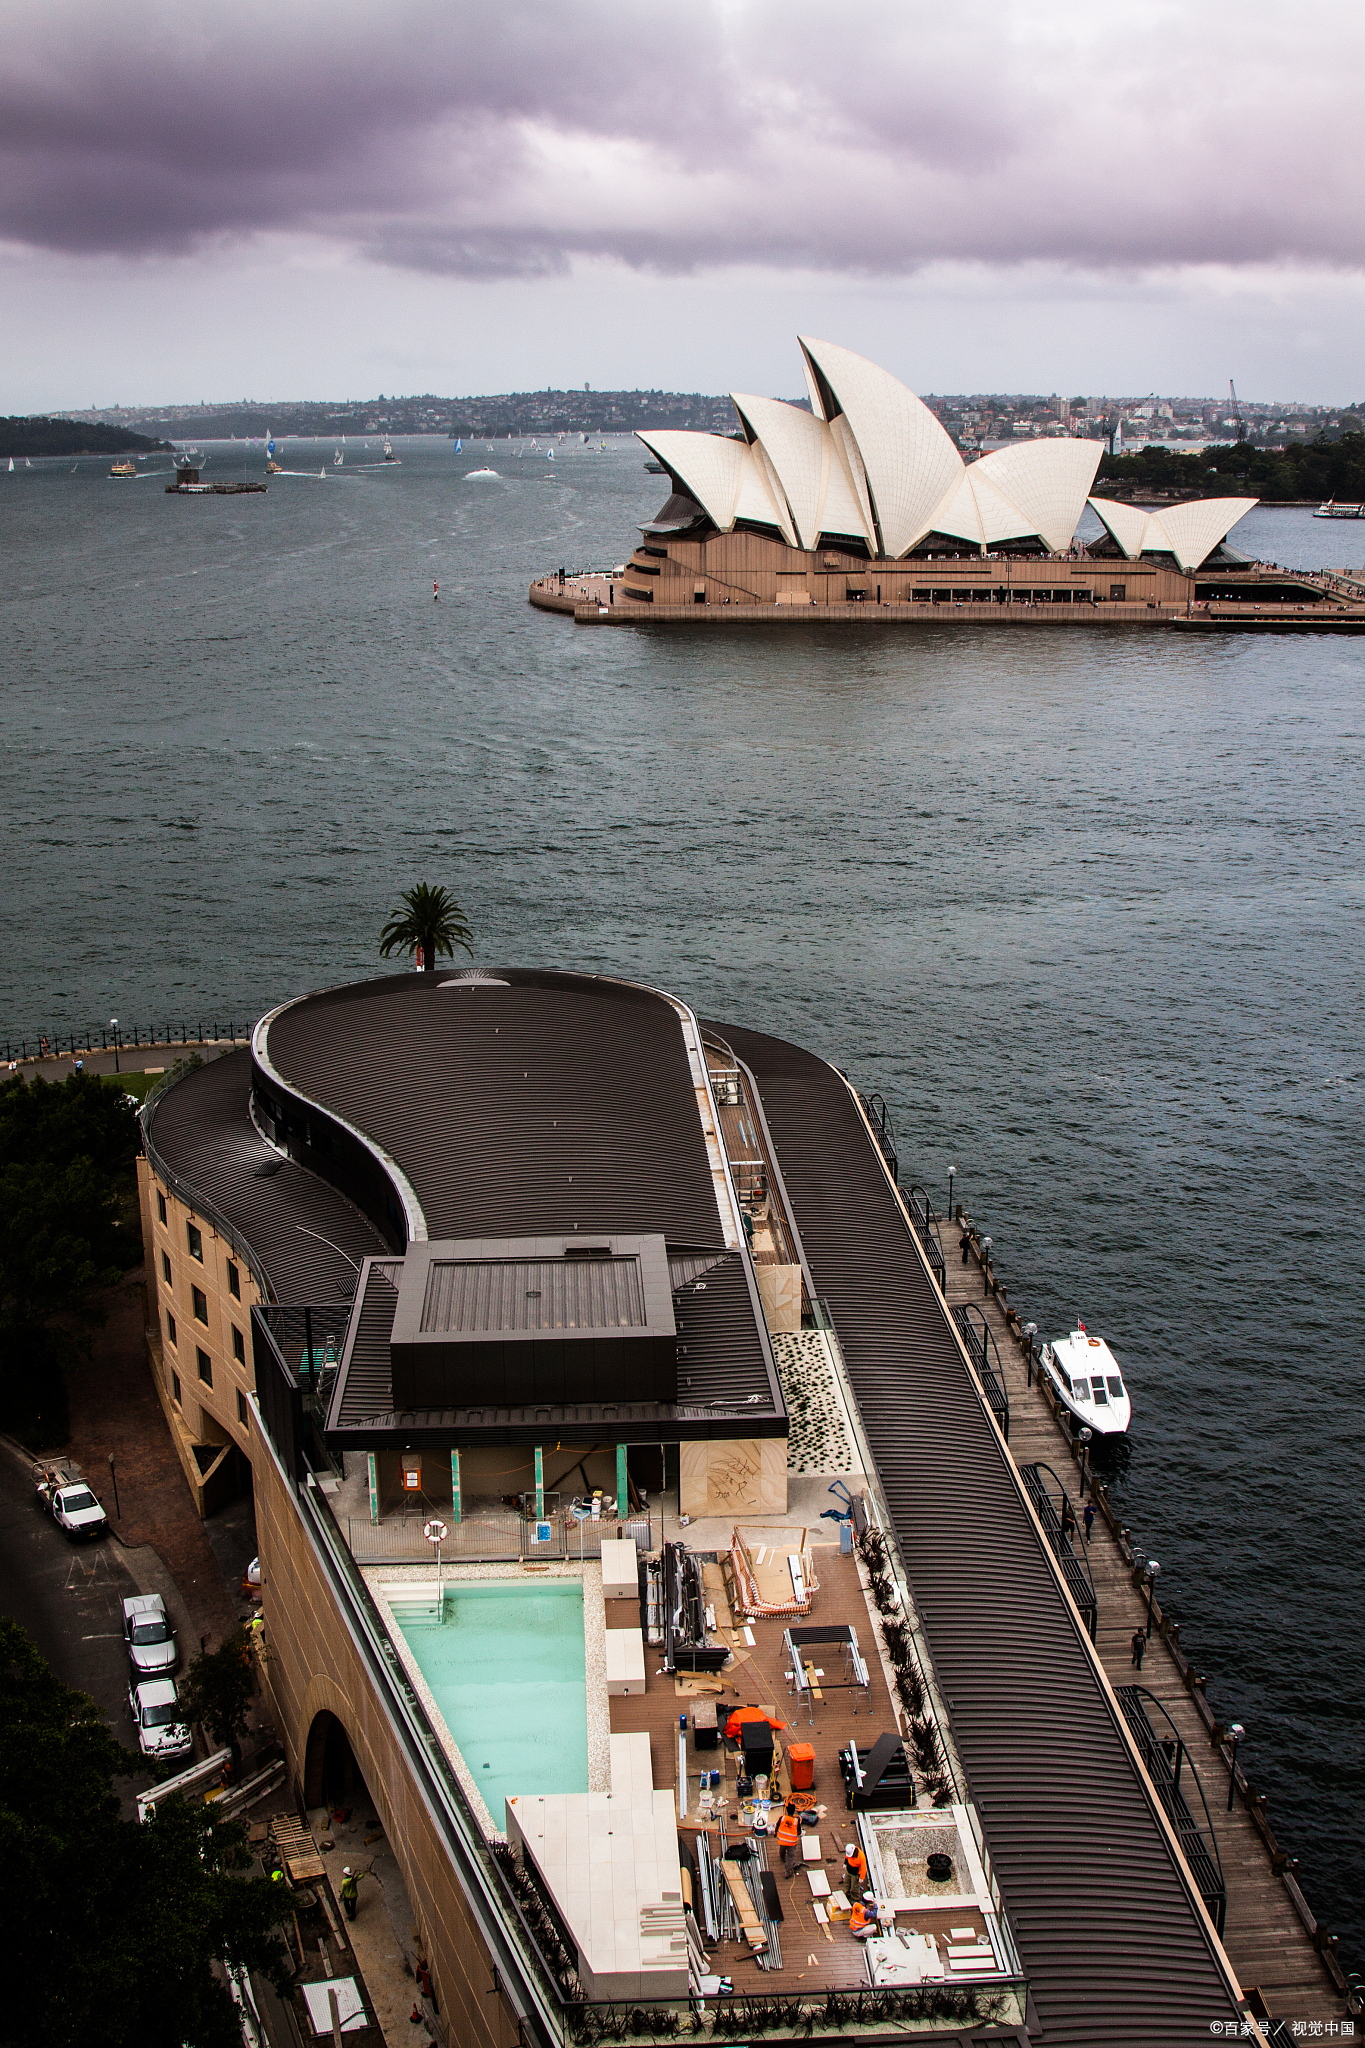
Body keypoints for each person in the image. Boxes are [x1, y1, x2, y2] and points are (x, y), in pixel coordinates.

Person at [777, 1800, 800, 1874]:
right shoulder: (796, 1821)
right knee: (790, 1856)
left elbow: (777, 1826)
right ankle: (788, 1872)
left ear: (786, 1810)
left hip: (782, 1840)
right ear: (794, 1811)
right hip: (791, 1842)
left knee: (782, 1848)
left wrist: (775, 1833)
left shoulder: (782, 1818)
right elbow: (799, 1832)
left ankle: (782, 1858)